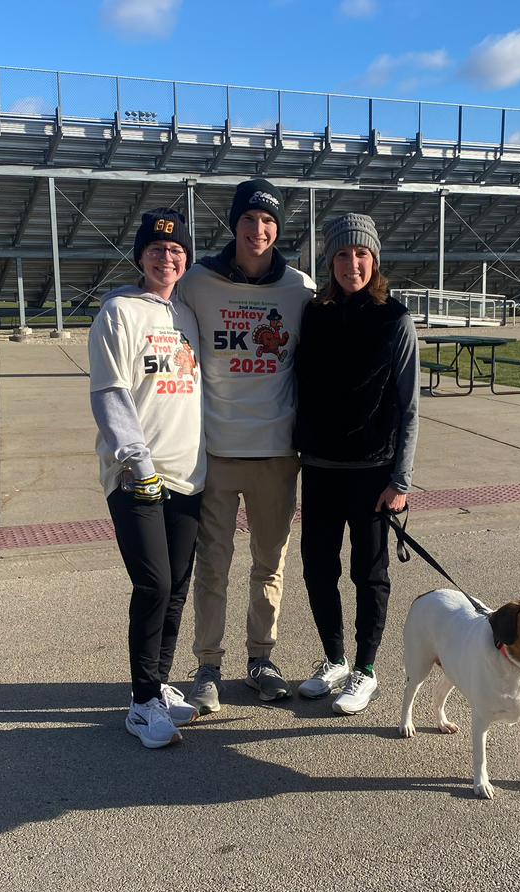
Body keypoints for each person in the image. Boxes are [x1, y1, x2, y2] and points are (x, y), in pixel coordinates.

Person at [177, 178, 315, 710]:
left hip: (277, 454)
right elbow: (158, 312)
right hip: (214, 451)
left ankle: (261, 658)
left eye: (269, 222)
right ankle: (207, 666)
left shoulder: (298, 288)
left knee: (269, 564)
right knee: (212, 565)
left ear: (278, 229)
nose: (259, 230)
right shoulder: (198, 282)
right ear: (234, 224)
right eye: (250, 219)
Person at [88, 207, 206, 749]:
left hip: (187, 473)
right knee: (153, 583)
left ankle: (159, 684)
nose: (167, 257)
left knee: (177, 586)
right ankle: (140, 703)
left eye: (177, 250)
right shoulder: (119, 312)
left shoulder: (186, 314)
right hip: (138, 475)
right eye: (157, 250)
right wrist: (137, 461)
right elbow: (110, 392)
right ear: (140, 255)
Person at [293, 213, 419, 715]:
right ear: (330, 261)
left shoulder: (396, 320)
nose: (352, 264)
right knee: (317, 569)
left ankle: (366, 670)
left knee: (369, 574)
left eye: (361, 254)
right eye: (342, 255)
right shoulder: (314, 314)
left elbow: (408, 408)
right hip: (320, 466)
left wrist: (401, 479)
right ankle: (334, 660)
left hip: (372, 472)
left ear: (375, 260)